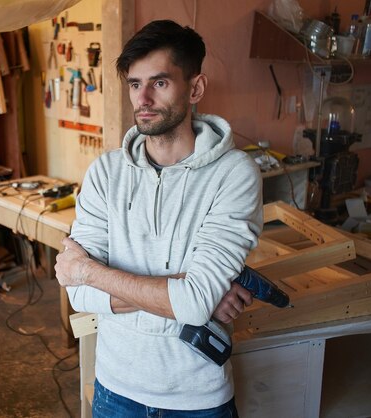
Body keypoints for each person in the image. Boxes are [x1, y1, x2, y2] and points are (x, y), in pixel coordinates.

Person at [55, 20, 263, 417]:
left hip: (197, 397)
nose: (143, 98)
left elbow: (194, 302)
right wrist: (184, 296)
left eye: (160, 83)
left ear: (195, 88)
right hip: (115, 389)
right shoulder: (105, 173)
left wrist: (88, 271)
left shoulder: (234, 174)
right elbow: (78, 295)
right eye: (135, 84)